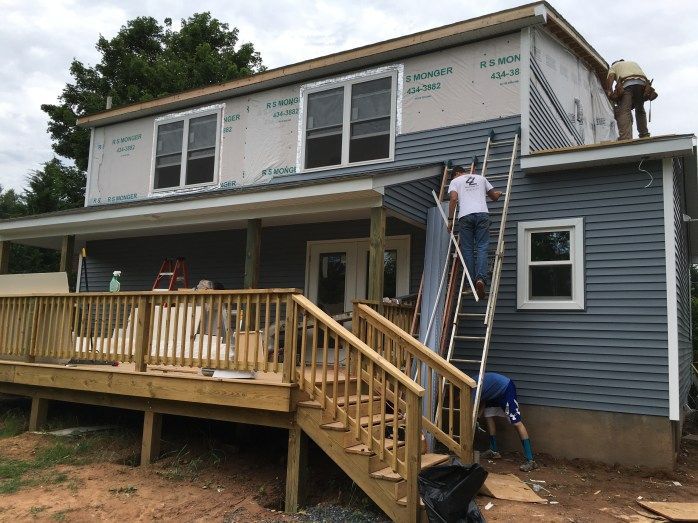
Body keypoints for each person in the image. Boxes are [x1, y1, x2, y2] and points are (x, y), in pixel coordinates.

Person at [447, 164, 501, 299]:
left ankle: (471, 281)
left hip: (465, 217)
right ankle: (480, 280)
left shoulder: (455, 181)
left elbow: (453, 199)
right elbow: (494, 197)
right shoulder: (481, 178)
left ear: (456, 174)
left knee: (468, 250)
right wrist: (498, 194)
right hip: (482, 214)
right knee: (482, 247)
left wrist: (450, 220)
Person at [470, 372, 537, 472]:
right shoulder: (471, 384)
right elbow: (483, 398)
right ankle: (494, 451)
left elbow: (472, 408)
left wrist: (473, 419)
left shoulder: (471, 388)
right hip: (493, 393)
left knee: (516, 422)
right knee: (488, 415)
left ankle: (531, 460)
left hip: (506, 388)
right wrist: (478, 418)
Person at [605, 59, 650, 141]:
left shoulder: (614, 66)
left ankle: (625, 137)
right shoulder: (633, 63)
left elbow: (610, 77)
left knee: (624, 111)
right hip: (642, 84)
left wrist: (609, 92)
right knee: (640, 109)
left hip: (627, 83)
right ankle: (644, 134)